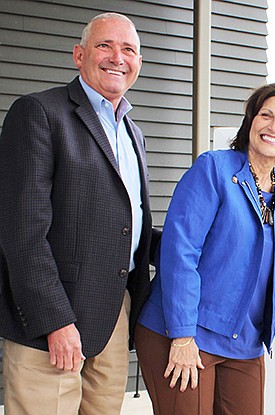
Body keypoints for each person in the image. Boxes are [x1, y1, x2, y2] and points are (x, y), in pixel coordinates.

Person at [135, 82, 275, 415]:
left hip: (243, 343)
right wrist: (182, 336)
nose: (274, 126)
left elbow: (267, 276)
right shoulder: (214, 169)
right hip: (184, 332)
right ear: (251, 122)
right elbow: (179, 254)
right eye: (266, 115)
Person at [0, 12, 160, 414]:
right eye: (105, 45)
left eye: (129, 49)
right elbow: (22, 231)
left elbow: (126, 223)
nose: (117, 57)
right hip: (53, 321)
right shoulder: (39, 113)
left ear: (139, 63)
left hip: (113, 315)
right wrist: (54, 320)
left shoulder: (132, 133)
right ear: (79, 55)